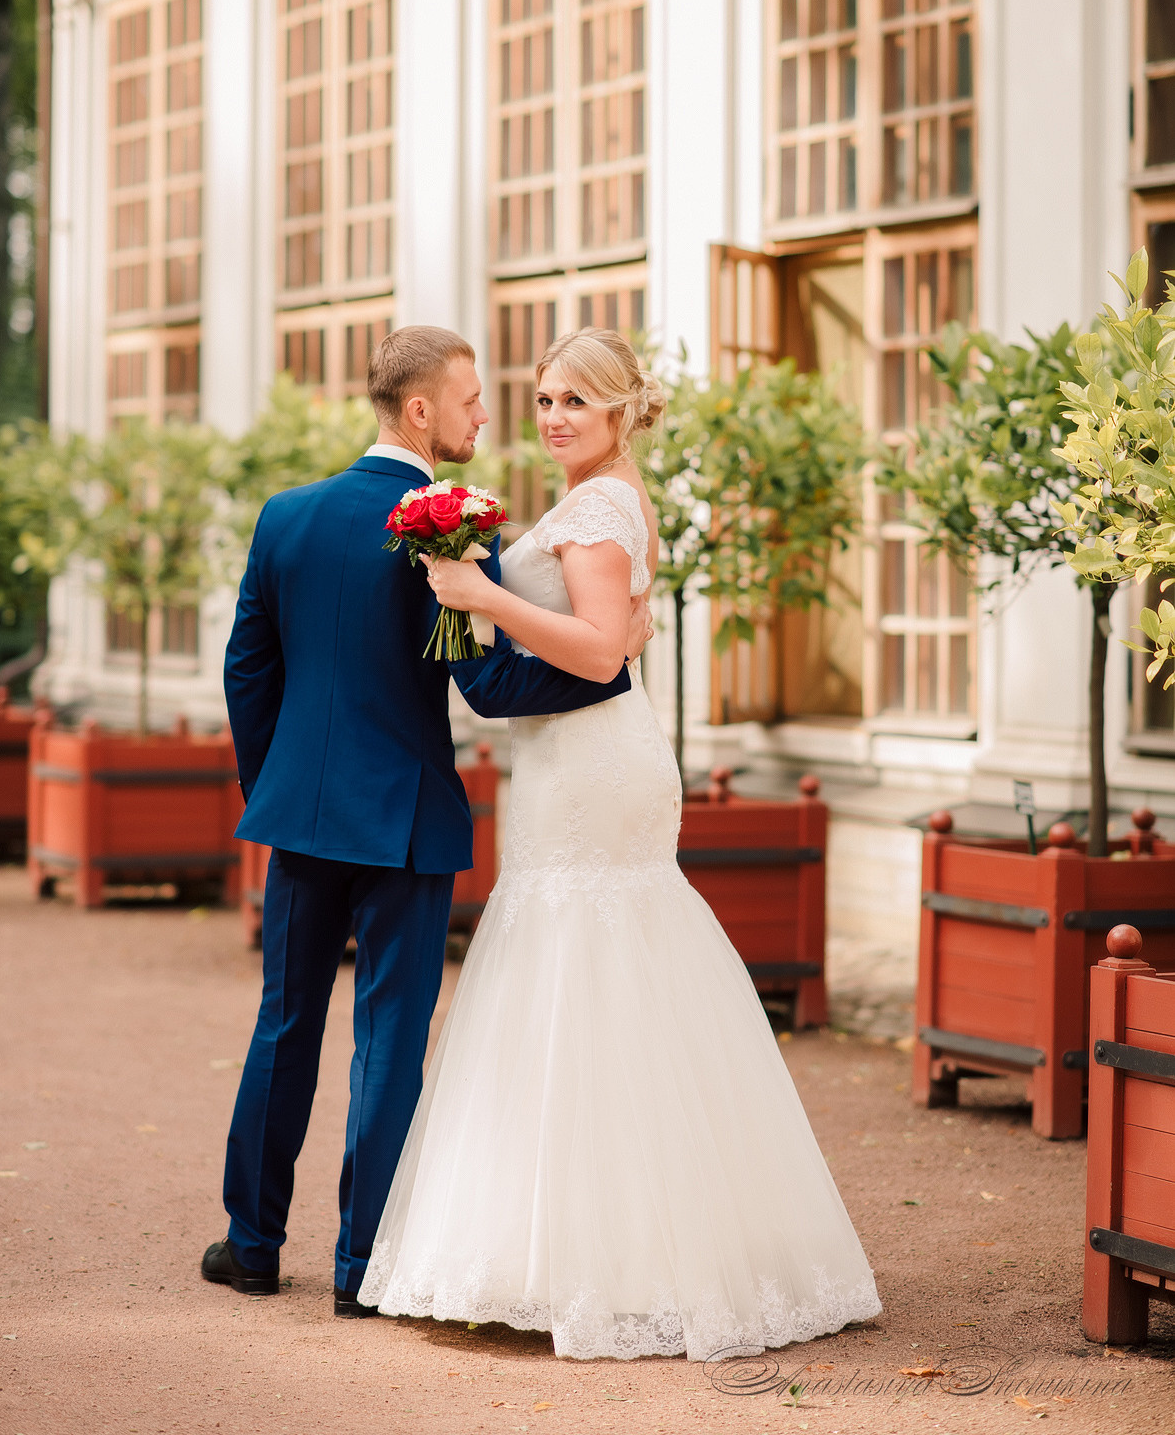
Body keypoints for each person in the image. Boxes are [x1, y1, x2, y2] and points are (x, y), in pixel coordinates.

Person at [356, 328, 881, 1360]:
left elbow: (598, 649)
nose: (551, 417)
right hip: (568, 759)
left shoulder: (598, 508)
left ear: (616, 413)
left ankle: (627, 1262)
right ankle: (574, 1247)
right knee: (580, 979)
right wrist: (472, 597)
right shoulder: (593, 500)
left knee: (593, 968)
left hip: (595, 769)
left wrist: (480, 594)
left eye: (573, 404)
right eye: (542, 397)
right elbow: (601, 643)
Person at [202, 327, 653, 1316]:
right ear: (419, 411)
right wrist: (606, 669)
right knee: (387, 1042)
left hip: (302, 815)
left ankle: (252, 1243)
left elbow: (247, 666)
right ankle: (361, 1270)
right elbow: (487, 686)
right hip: (406, 821)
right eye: (470, 399)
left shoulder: (285, 517)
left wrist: (272, 784)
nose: (485, 417)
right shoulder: (449, 532)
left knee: (284, 1022)